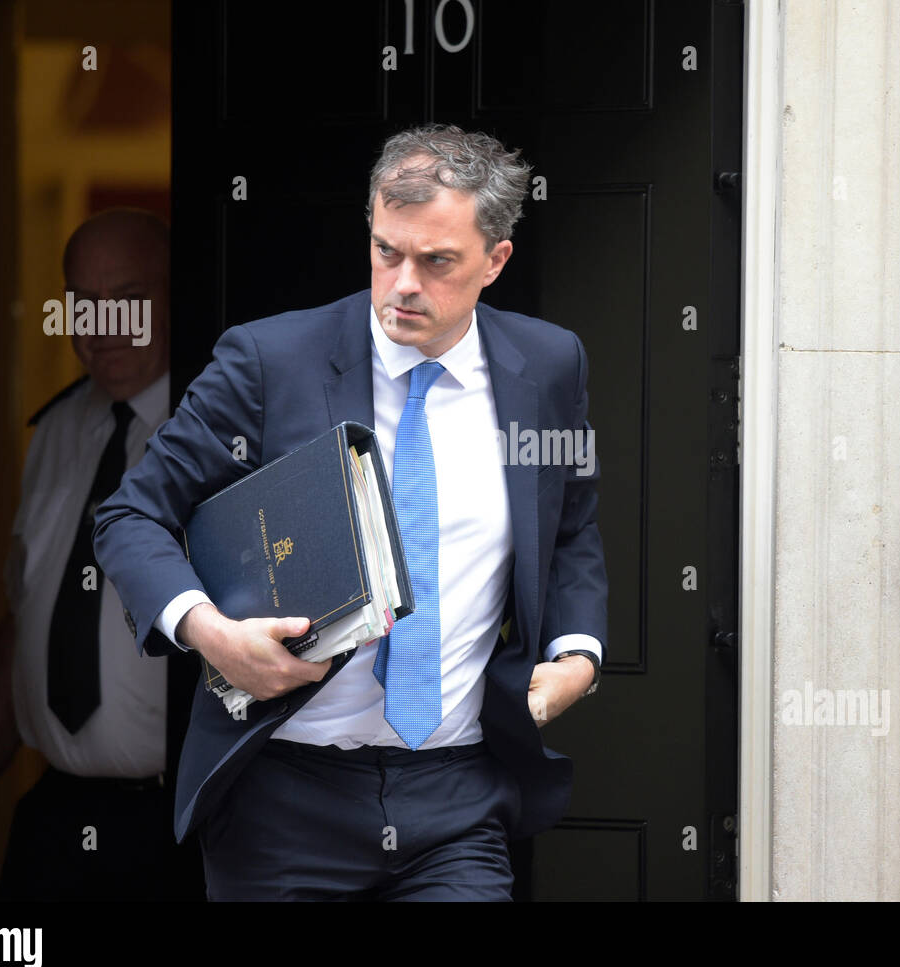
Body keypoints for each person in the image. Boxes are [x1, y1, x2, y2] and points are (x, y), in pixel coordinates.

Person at [93, 124, 609, 901]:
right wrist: (211, 633)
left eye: (436, 262)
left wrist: (577, 658)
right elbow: (130, 515)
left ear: (495, 260)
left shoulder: (548, 365)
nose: (403, 283)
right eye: (385, 251)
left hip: (458, 798)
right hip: (282, 799)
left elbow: (569, 527)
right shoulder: (270, 361)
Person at [0, 208, 204, 900]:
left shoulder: (217, 436)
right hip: (54, 825)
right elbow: (25, 619)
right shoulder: (55, 434)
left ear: (174, 298)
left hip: (177, 830)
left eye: (130, 301)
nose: (102, 326)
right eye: (83, 303)